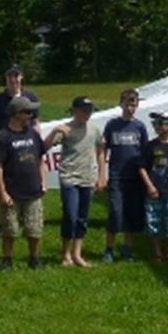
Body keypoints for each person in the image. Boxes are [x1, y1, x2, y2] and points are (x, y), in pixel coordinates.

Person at [44, 96, 101, 268]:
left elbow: (100, 149)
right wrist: (55, 131)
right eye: (84, 110)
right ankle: (65, 253)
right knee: (70, 215)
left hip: (88, 178)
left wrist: (101, 175)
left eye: (89, 110)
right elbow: (44, 146)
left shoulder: (94, 130)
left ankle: (77, 254)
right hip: (69, 177)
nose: (87, 114)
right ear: (75, 111)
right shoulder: (66, 130)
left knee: (82, 218)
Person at [0, 94, 47, 270]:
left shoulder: (33, 134)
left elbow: (40, 160)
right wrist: (2, 192)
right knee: (10, 229)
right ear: (16, 113)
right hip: (12, 191)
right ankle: (7, 259)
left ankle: (34, 258)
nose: (31, 115)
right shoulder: (3, 137)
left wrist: (43, 182)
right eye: (27, 111)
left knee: (35, 228)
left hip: (33, 190)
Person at [97, 88, 147, 263]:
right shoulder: (112, 125)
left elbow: (144, 154)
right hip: (117, 175)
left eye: (134, 104)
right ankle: (109, 248)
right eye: (128, 104)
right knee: (116, 212)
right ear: (121, 104)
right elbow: (103, 149)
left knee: (131, 213)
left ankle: (127, 247)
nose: (131, 108)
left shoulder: (140, 127)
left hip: (134, 177)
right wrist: (102, 174)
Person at [138, 111, 168, 262]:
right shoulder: (150, 146)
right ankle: (158, 252)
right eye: (155, 123)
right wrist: (149, 186)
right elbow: (142, 167)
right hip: (154, 191)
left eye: (161, 123)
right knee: (154, 222)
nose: (157, 126)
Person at [0, 64, 40, 154]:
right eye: (9, 76)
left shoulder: (31, 97)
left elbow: (35, 122)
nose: (12, 80)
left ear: (21, 76)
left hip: (27, 142)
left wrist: (38, 142)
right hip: (5, 144)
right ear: (6, 78)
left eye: (16, 76)